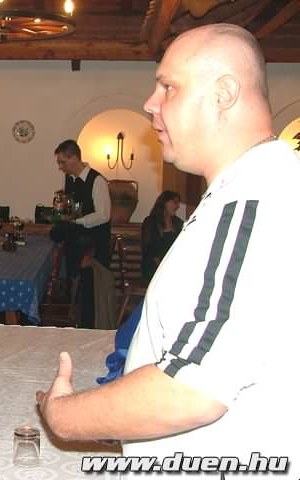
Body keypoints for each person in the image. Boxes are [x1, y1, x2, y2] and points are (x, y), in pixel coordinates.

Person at [37, 24, 299, 477]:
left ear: (224, 93)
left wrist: (64, 416)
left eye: (168, 87)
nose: (149, 103)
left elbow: (191, 391)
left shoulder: (251, 205)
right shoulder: (238, 197)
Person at [51, 140, 112, 275]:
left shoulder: (97, 180)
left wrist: (76, 221)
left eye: (62, 162)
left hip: (93, 247)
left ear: (74, 158)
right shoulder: (69, 179)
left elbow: (103, 215)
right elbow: (73, 208)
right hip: (75, 242)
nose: (60, 167)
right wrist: (61, 210)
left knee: (88, 285)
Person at [141, 190, 183, 280]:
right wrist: (161, 265)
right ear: (164, 203)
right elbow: (148, 248)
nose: (178, 206)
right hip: (154, 264)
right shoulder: (150, 222)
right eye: (175, 202)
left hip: (173, 264)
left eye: (178, 203)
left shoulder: (178, 222)